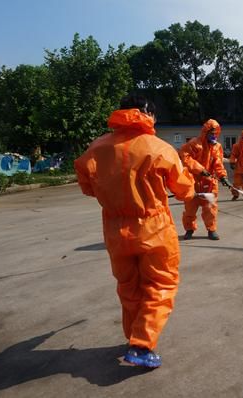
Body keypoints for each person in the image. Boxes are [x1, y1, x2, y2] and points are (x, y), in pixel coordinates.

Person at [74, 94, 196, 369]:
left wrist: (111, 195)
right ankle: (141, 345)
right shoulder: (159, 148)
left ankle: (134, 338)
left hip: (116, 230)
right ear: (147, 113)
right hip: (154, 229)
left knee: (128, 287)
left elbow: (85, 181)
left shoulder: (98, 147)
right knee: (160, 286)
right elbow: (183, 189)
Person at [178, 119, 232, 240]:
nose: (213, 135)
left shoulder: (217, 147)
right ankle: (189, 229)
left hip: (209, 182)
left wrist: (223, 176)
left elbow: (218, 163)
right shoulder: (194, 144)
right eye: (211, 133)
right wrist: (200, 169)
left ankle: (211, 230)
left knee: (210, 208)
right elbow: (185, 157)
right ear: (205, 132)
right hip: (193, 181)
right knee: (190, 210)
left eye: (215, 133)